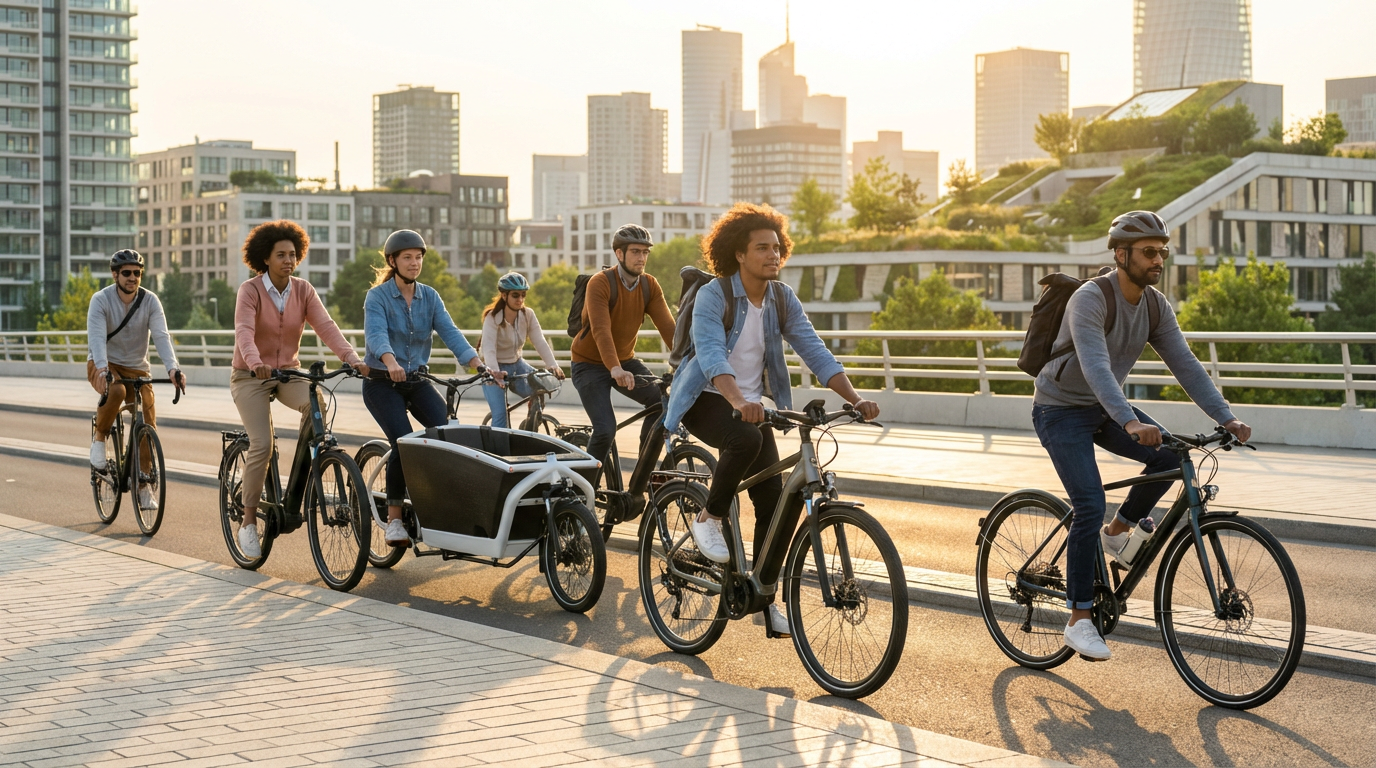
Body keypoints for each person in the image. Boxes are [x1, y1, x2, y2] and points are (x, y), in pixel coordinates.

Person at [1032, 210, 1251, 661]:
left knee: (1171, 458)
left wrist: (1226, 417)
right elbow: (1095, 367)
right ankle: (1078, 619)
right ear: (1120, 254)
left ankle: (1118, 531)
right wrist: (1130, 421)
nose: (1158, 260)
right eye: (1149, 252)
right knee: (1088, 501)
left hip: (1104, 405)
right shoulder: (1091, 299)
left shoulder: (1154, 305)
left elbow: (1185, 364)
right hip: (1059, 409)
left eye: (1162, 252)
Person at [662, 203, 880, 637]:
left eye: (777, 248)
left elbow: (814, 350)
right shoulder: (715, 295)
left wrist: (855, 399)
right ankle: (710, 517)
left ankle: (764, 596)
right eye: (762, 248)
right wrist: (739, 399)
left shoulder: (782, 298)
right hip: (707, 396)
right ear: (738, 254)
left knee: (775, 504)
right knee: (743, 438)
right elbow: (709, 355)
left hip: (755, 404)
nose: (772, 255)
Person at [230, 220, 368, 559]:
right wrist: (254, 360)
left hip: (288, 373)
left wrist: (352, 359)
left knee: (316, 401)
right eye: (281, 255)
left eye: (293, 254)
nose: (288, 260)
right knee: (262, 443)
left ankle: (298, 485)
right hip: (251, 375)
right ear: (265, 258)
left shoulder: (303, 290)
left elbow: (327, 327)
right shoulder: (250, 291)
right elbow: (244, 331)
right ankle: (248, 523)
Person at [363, 229, 483, 547]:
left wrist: (478, 364)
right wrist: (390, 362)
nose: (414, 263)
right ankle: (394, 520)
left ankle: (443, 506)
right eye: (407, 258)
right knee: (404, 442)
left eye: (418, 257)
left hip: (415, 382)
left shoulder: (429, 296)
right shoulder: (377, 297)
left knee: (448, 436)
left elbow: (450, 331)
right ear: (393, 261)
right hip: (381, 384)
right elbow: (376, 335)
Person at [86, 249, 186, 512]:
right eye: (127, 273)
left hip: (138, 369)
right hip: (103, 364)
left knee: (147, 420)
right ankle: (99, 440)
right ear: (115, 274)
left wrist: (173, 369)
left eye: (137, 273)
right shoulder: (101, 300)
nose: (133, 278)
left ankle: (143, 486)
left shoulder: (150, 301)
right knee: (116, 391)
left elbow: (162, 337)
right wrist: (103, 368)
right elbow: (96, 338)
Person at [570, 224, 676, 470]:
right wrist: (614, 368)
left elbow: (669, 329)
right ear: (619, 254)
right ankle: (584, 493)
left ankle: (642, 473)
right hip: (588, 364)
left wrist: (690, 362)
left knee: (661, 404)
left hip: (625, 360)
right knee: (606, 430)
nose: (642, 258)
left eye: (645, 252)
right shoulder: (600, 283)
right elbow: (600, 330)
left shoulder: (649, 285)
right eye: (636, 252)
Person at [480, 271, 563, 428]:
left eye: (523, 295)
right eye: (515, 295)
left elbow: (539, 341)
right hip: (493, 368)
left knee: (541, 391)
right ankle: (499, 450)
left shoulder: (527, 315)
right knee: (500, 416)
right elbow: (489, 349)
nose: (520, 300)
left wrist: (553, 366)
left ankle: (528, 427)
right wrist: (495, 374)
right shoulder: (493, 318)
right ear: (504, 296)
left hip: (517, 364)